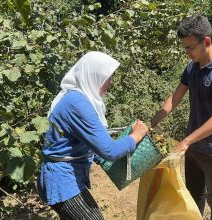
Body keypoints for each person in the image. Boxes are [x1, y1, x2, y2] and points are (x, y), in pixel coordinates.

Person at [37, 51, 148, 220]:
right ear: (94, 75)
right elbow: (109, 151)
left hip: (66, 177)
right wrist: (135, 136)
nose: (110, 82)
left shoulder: (79, 98)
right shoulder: (76, 103)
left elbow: (93, 146)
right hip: (62, 182)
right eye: (108, 77)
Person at [150, 15, 212, 220]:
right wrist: (151, 123)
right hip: (192, 149)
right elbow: (174, 98)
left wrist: (187, 140)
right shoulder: (191, 68)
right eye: (184, 48)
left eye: (190, 47)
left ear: (206, 42)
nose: (187, 52)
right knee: (192, 195)